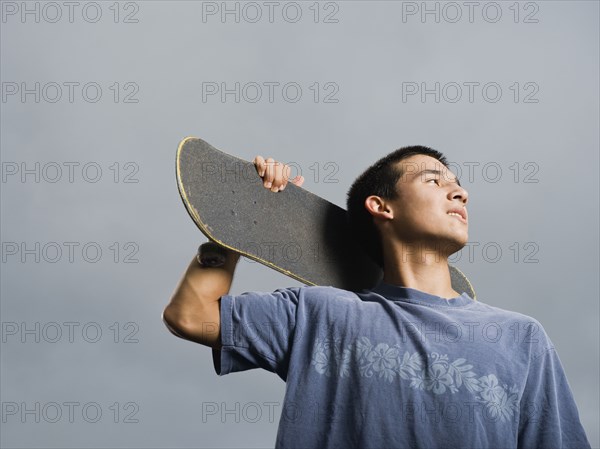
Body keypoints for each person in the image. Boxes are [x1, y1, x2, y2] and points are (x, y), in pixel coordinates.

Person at [163, 147, 591, 448]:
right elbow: (189, 314)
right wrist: (238, 222)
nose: (460, 192)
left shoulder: (520, 340)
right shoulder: (320, 313)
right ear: (381, 206)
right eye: (434, 180)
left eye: (459, 185)